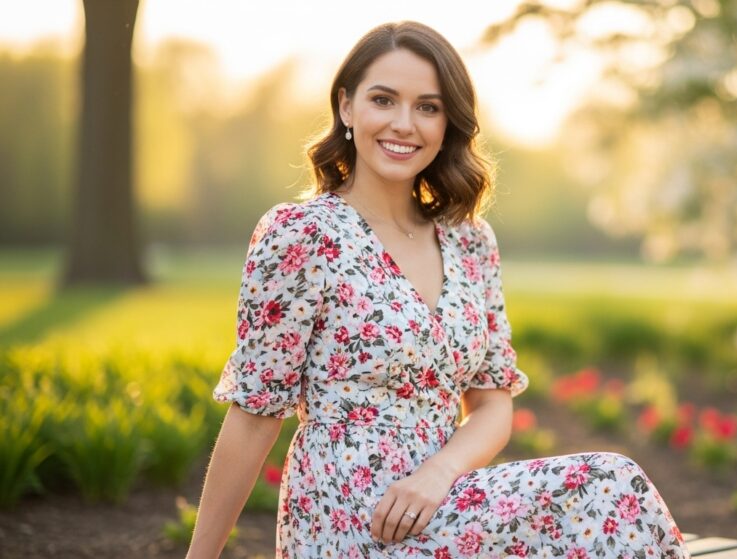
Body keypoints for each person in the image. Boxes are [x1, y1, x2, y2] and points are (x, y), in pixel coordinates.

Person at [186, 20, 691, 559]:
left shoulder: (469, 240)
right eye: (384, 100)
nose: (405, 124)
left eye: (428, 107)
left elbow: (493, 403)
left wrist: (439, 472)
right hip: (353, 517)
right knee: (609, 483)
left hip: (447, 499)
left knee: (615, 493)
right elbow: (254, 413)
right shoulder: (302, 235)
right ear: (346, 107)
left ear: (448, 123)